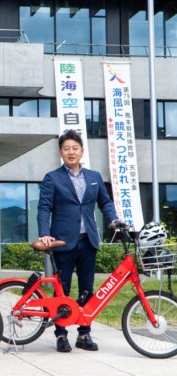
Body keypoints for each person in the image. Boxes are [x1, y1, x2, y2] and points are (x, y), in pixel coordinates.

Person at [37, 129, 119, 353]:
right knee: (61, 290)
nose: (71, 152)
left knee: (87, 289)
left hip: (88, 242)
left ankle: (84, 333)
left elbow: (105, 203)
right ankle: (61, 334)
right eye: (66, 149)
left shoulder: (94, 177)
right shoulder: (52, 178)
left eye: (75, 148)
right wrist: (44, 232)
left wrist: (113, 220)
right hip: (62, 242)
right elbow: (44, 207)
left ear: (82, 151)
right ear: (60, 152)